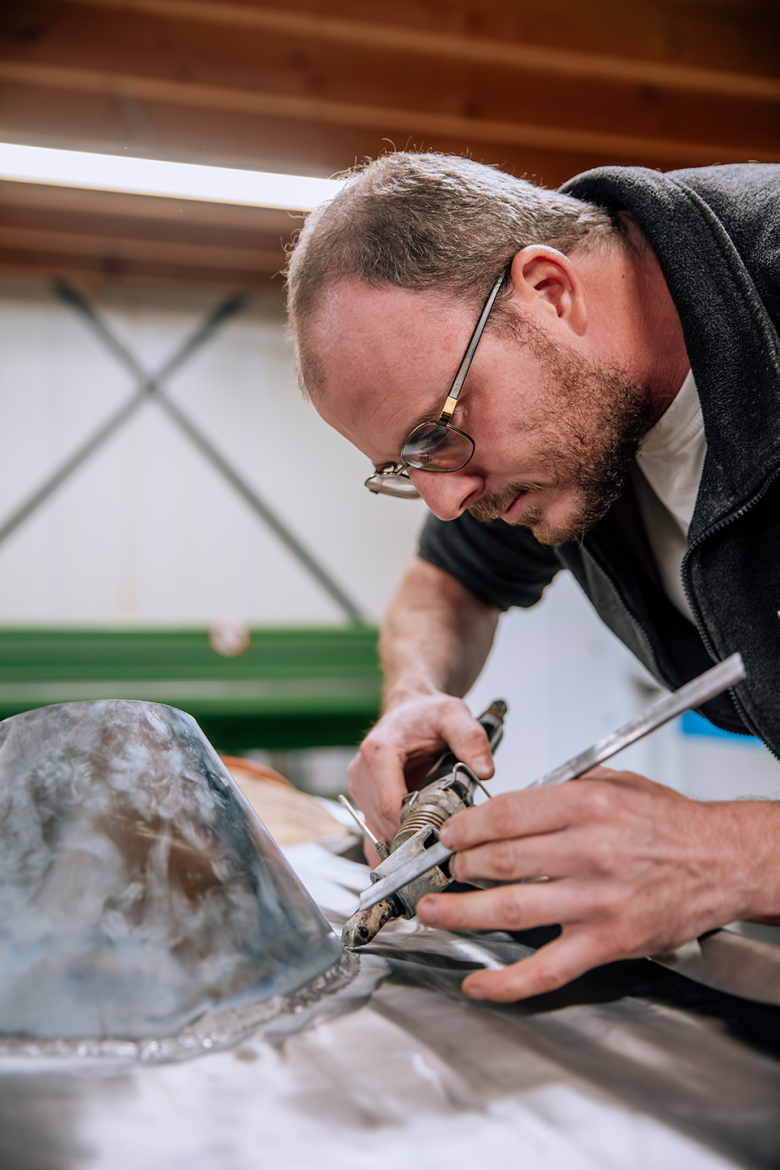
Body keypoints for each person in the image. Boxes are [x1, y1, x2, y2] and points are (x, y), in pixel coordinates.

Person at [285, 153, 780, 1002]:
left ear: (549, 293)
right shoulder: (571, 414)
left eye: (435, 433)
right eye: (406, 467)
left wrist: (737, 857)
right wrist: (415, 694)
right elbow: (446, 585)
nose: (445, 502)